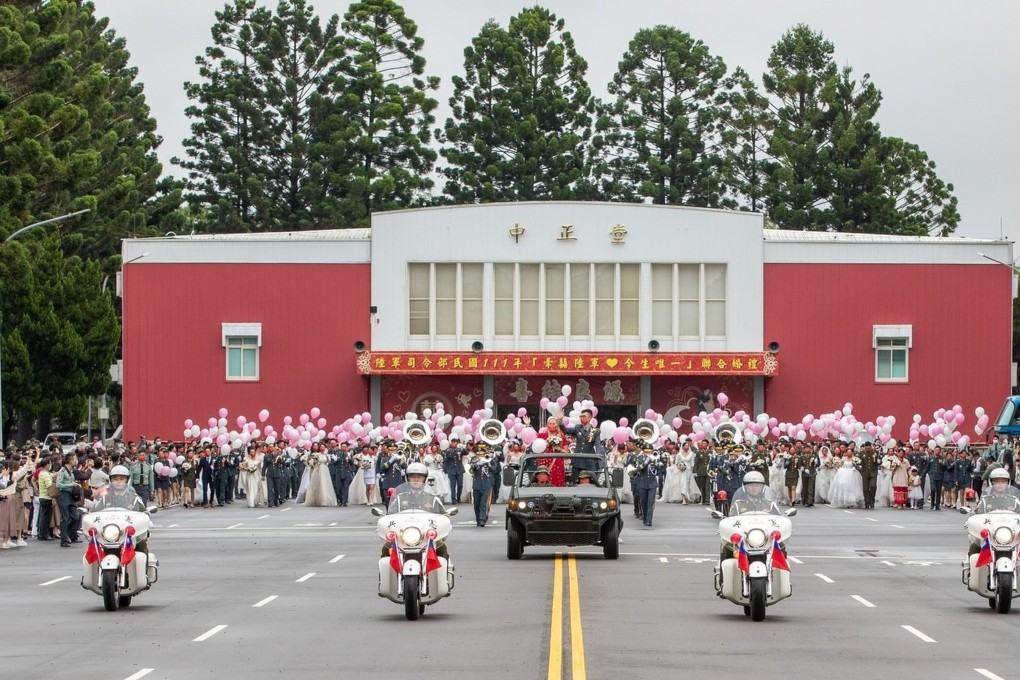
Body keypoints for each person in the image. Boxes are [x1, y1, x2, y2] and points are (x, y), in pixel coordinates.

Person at [469, 442, 497, 527]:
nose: (479, 456)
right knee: (476, 504)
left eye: (481, 454)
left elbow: (495, 469)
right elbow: (470, 471)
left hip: (486, 484)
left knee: (483, 504)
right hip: (476, 484)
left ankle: (482, 520)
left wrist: (488, 464)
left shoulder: (489, 459)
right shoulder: (474, 460)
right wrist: (475, 465)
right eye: (478, 454)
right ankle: (478, 519)